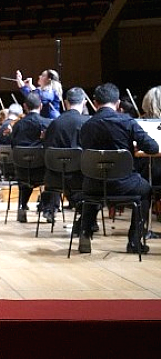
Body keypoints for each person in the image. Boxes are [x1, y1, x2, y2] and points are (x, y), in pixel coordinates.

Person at [77, 82, 158, 254]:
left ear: (95, 103)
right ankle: (135, 241)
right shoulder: (127, 121)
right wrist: (132, 149)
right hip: (124, 184)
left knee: (93, 185)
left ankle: (85, 233)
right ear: (118, 103)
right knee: (146, 189)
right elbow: (153, 148)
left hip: (93, 185)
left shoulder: (86, 125)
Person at [42, 87, 90, 223]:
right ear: (84, 102)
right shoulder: (86, 123)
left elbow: (47, 149)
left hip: (54, 178)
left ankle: (49, 208)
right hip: (79, 178)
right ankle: (87, 218)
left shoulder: (54, 123)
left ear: (65, 102)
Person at [10, 92, 51, 223]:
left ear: (24, 107)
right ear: (41, 106)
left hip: (21, 171)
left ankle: (22, 207)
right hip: (42, 172)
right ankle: (48, 210)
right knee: (54, 175)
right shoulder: (47, 123)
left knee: (25, 176)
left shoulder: (17, 125)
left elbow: (13, 146)